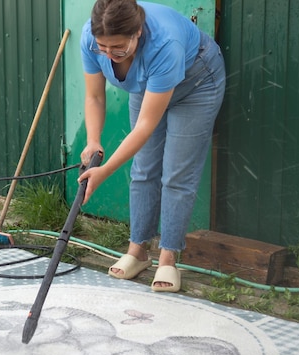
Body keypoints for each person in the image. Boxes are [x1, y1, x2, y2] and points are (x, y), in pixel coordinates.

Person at [77, 0, 226, 292]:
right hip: (148, 85)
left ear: (138, 33)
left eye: (118, 49)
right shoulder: (91, 38)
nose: (109, 56)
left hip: (196, 84)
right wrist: (93, 139)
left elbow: (145, 126)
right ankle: (137, 251)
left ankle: (168, 258)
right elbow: (94, 96)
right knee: (143, 168)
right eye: (102, 48)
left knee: (177, 174)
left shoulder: (164, 44)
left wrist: (105, 170)